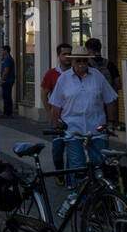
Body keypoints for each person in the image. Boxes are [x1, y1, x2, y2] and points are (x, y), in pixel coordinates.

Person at [48, 45, 117, 188]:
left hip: (96, 130)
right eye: (78, 60)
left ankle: (98, 200)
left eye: (84, 61)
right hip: (73, 131)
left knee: (98, 165)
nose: (81, 64)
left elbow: (110, 99)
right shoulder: (64, 79)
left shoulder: (97, 76)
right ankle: (81, 199)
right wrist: (55, 127)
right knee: (78, 167)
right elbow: (55, 105)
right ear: (72, 61)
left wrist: (110, 123)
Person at [41, 43, 74, 182]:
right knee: (57, 151)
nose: (67, 57)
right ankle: (59, 173)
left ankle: (68, 177)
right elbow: (44, 93)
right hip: (58, 120)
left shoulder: (75, 72)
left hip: (72, 119)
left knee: (72, 151)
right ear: (58, 55)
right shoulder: (52, 73)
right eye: (64, 54)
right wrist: (49, 112)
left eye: (69, 54)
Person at [0, 45, 16, 118]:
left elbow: (6, 70)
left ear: (6, 51)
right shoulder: (6, 58)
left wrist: (2, 80)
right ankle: (7, 112)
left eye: (2, 50)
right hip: (7, 80)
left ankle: (7, 113)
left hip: (7, 80)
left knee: (6, 96)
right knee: (6, 96)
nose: (1, 52)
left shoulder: (7, 59)